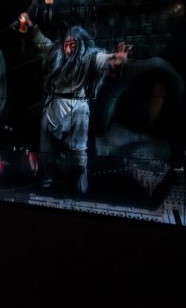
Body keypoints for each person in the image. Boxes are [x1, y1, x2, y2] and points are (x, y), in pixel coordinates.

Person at [30, 23, 131, 194]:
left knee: (78, 150)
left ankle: (80, 176)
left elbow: (105, 59)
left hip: (77, 108)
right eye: (66, 44)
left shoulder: (88, 57)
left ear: (80, 45)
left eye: (73, 45)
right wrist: (31, 26)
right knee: (46, 148)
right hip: (54, 105)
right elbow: (42, 41)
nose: (68, 49)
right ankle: (48, 176)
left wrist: (117, 59)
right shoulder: (56, 52)